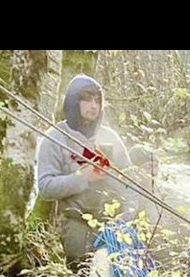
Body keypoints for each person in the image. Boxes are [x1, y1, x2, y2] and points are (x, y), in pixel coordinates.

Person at [35, 74, 131, 265]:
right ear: (73, 102)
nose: (93, 105)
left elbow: (131, 181)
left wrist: (128, 217)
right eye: (86, 99)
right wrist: (83, 177)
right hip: (76, 223)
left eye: (97, 100)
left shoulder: (110, 136)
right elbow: (45, 187)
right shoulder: (56, 138)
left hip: (114, 223)